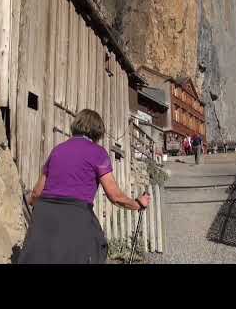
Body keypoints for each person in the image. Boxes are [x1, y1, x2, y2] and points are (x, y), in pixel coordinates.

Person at [18, 109, 151, 264]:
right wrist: (138, 203)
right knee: (96, 248)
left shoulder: (57, 151)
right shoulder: (98, 153)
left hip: (44, 218)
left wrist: (31, 203)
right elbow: (115, 196)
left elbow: (36, 193)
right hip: (75, 218)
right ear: (98, 132)